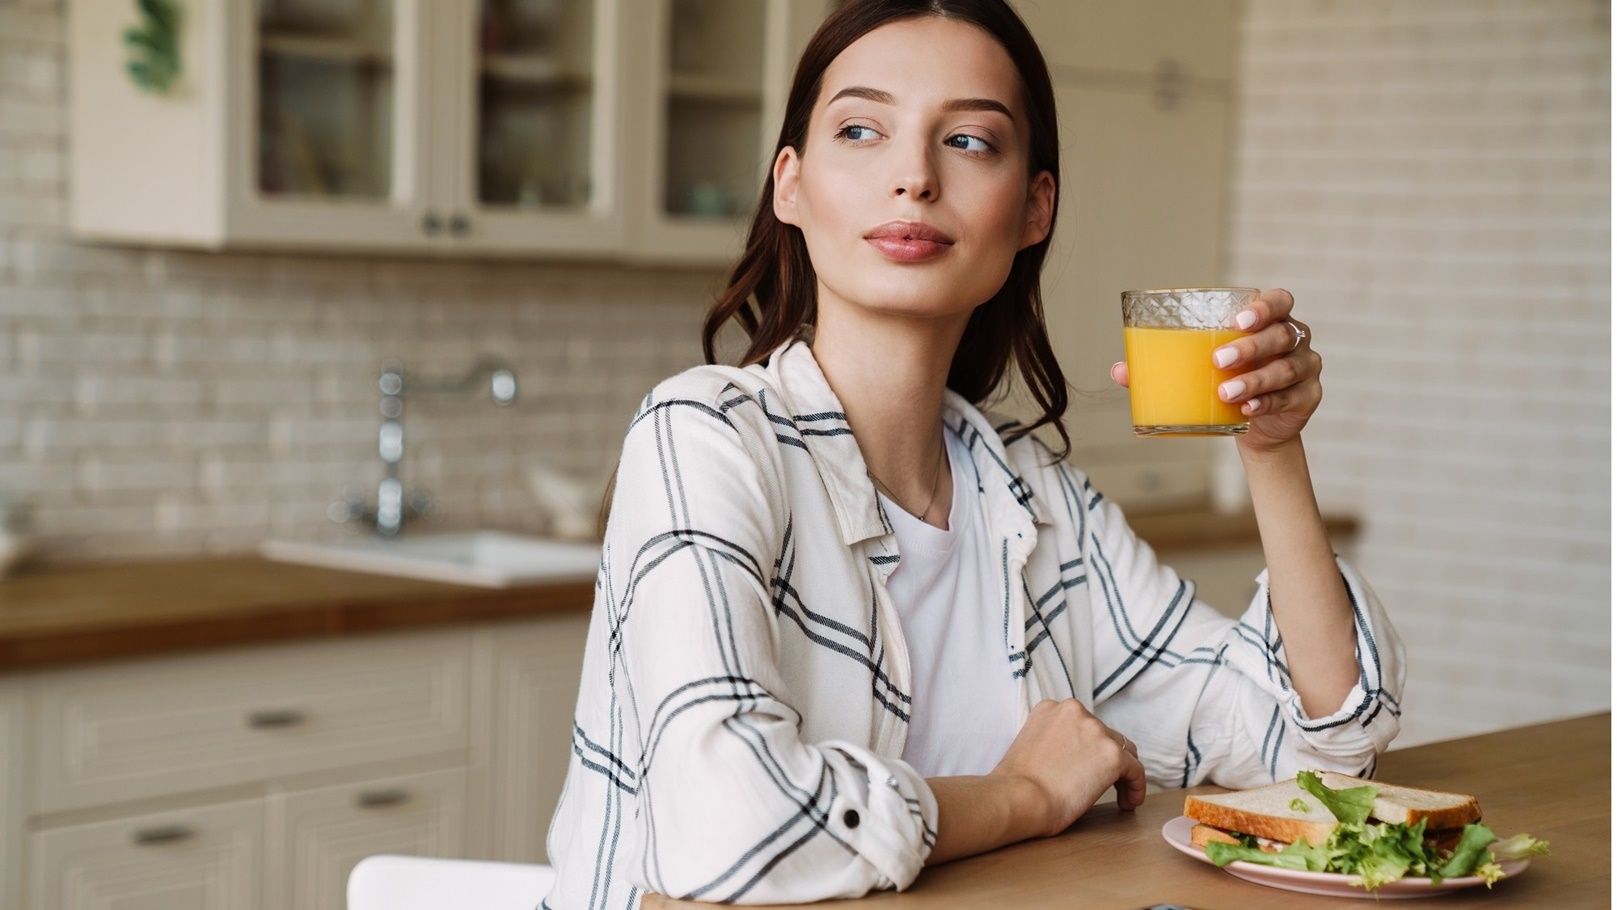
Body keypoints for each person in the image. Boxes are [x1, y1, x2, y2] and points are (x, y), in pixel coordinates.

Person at [543, 1, 1404, 906]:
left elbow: (1317, 752)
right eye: (862, 129)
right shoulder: (704, 433)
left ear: (1035, 207)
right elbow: (727, 833)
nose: (912, 176)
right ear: (789, 186)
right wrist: (1022, 793)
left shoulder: (1033, 501)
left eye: (968, 141)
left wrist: (1269, 450)